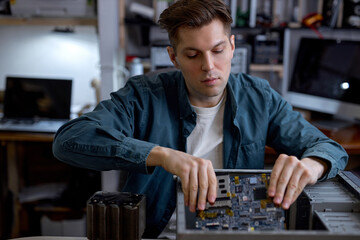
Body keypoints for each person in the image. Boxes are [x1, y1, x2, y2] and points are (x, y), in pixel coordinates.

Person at [52, 0, 348, 238]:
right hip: (156, 232)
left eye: (218, 51)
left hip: (236, 233)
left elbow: (329, 149)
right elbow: (68, 140)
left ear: (232, 46)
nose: (209, 67)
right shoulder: (143, 96)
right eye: (192, 55)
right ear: (173, 57)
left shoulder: (259, 97)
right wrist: (163, 156)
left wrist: (311, 165)